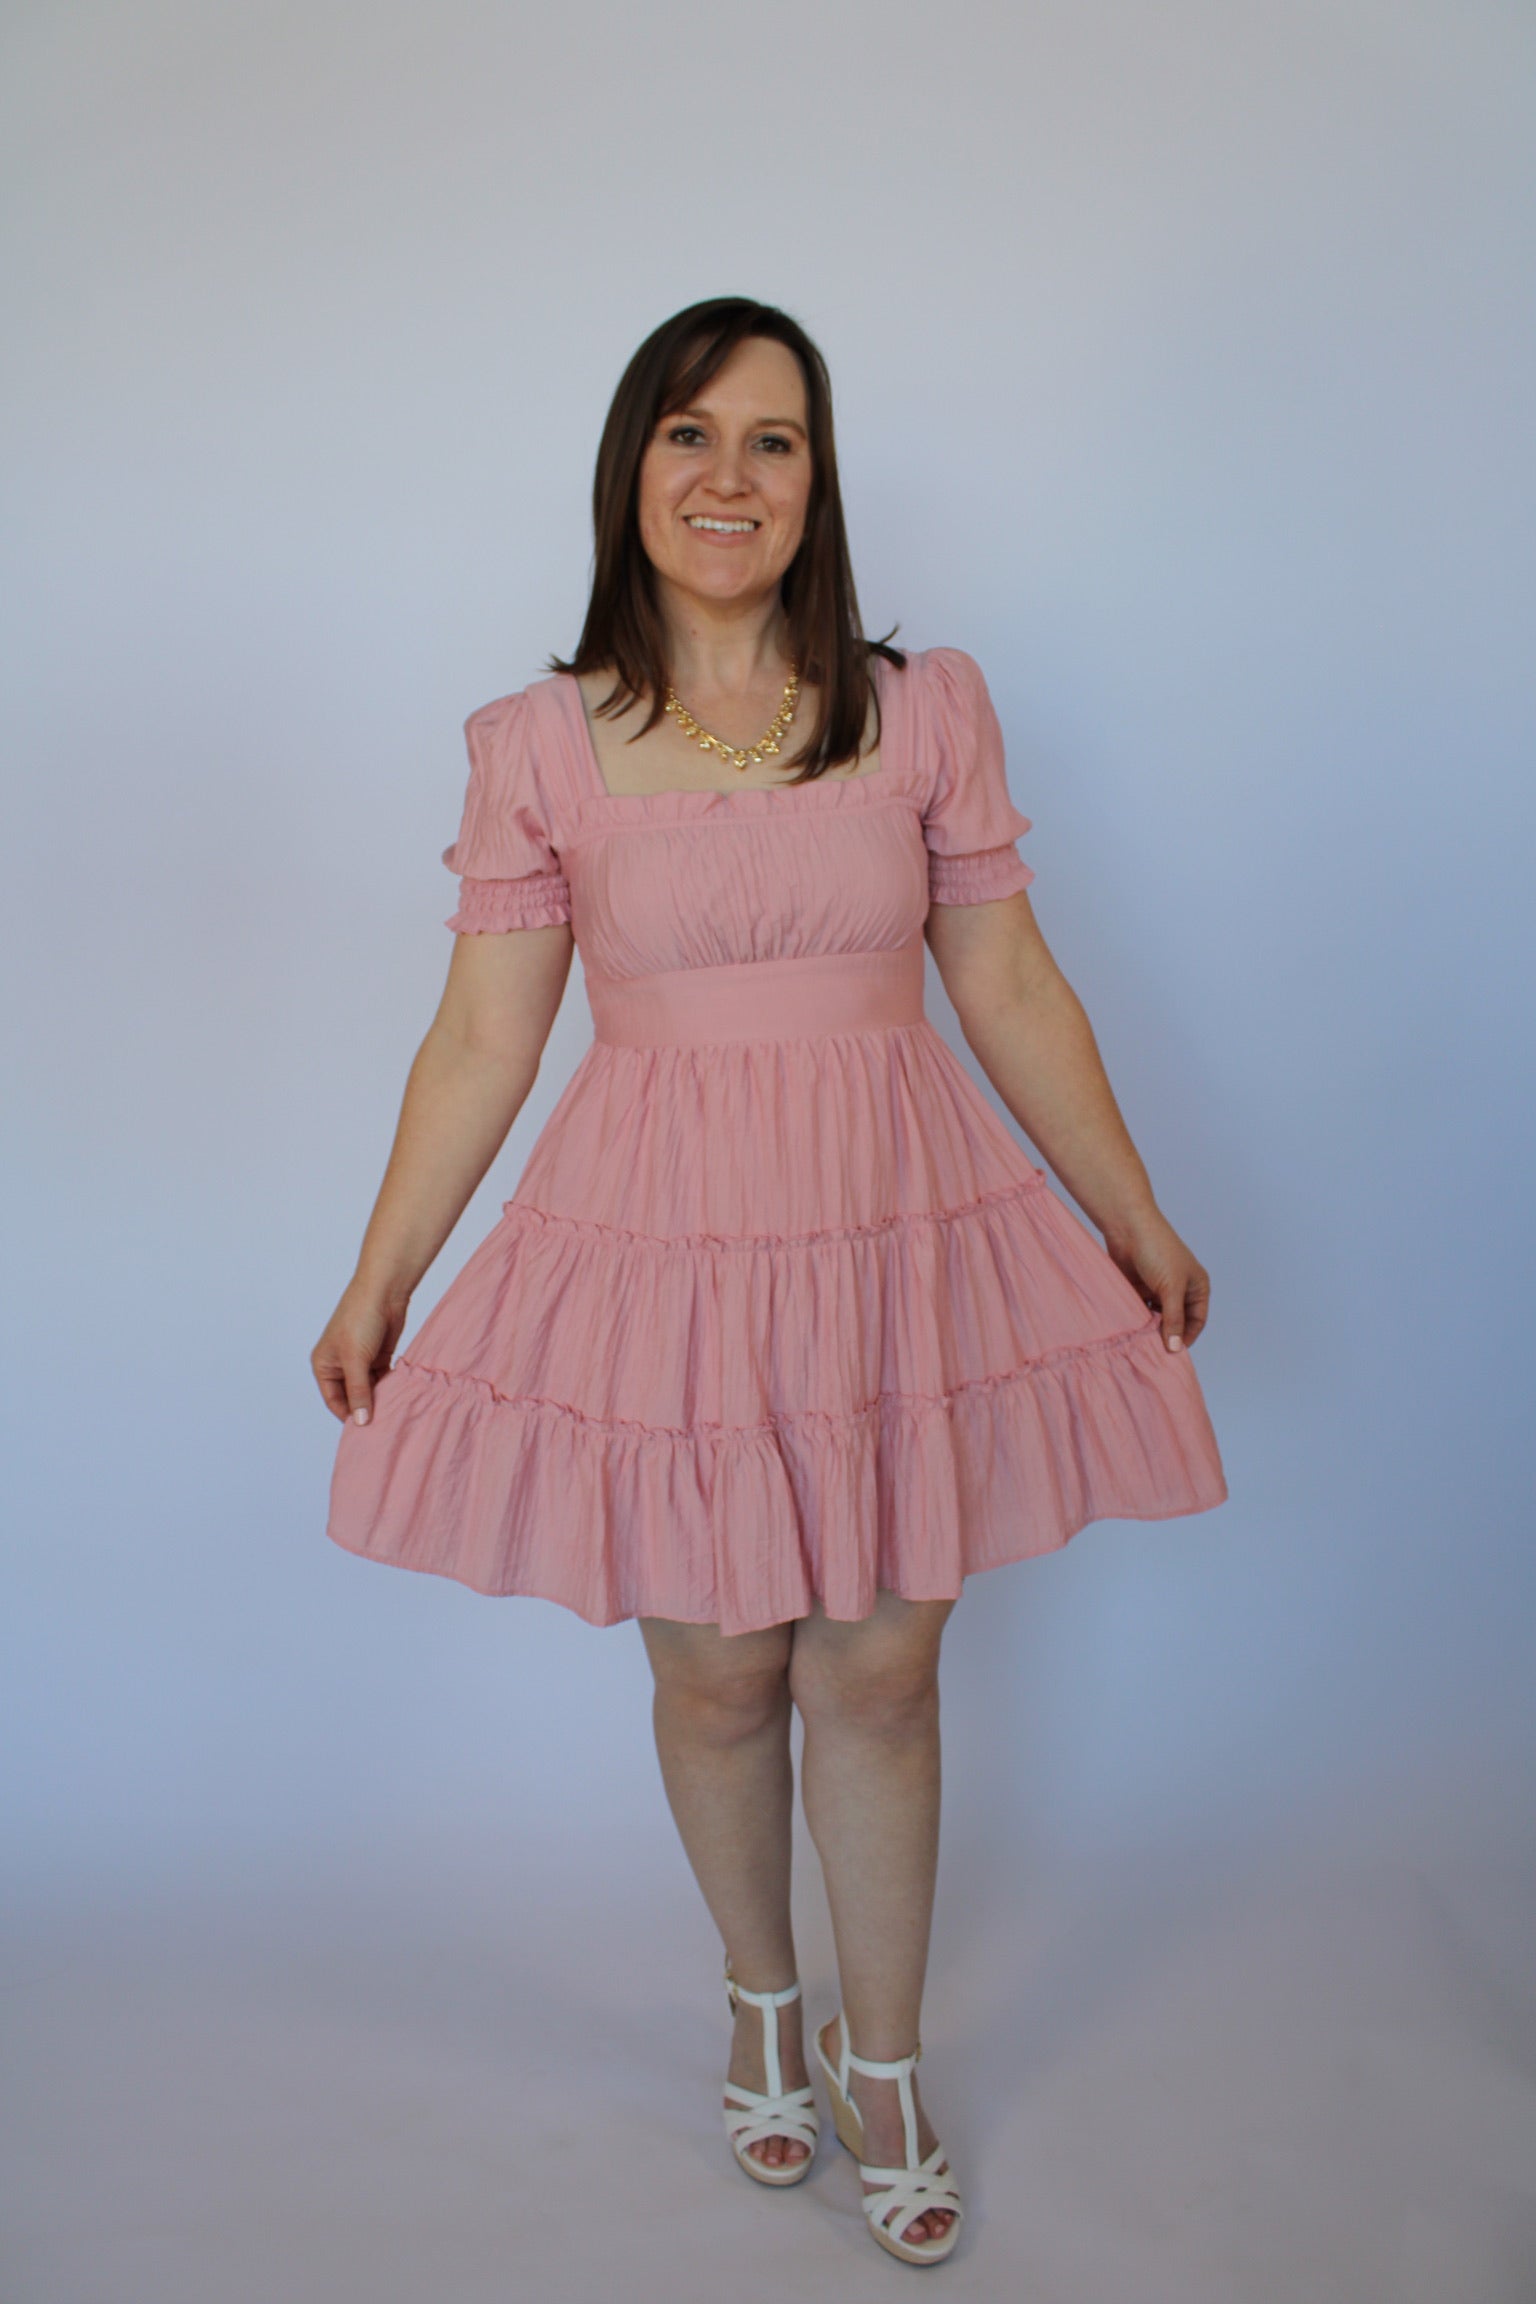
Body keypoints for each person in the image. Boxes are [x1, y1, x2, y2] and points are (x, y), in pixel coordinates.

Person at [312, 296, 1228, 2267]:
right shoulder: (540, 745)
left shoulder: (922, 709)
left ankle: (882, 2065)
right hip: (670, 1251)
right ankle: (759, 2000)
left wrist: (1134, 1213)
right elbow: (481, 1039)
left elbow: (1006, 980)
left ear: (819, 483)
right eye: (690, 433)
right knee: (721, 1673)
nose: (729, 476)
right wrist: (382, 1274)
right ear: (631, 469)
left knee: (880, 1671)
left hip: (894, 1229)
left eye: (774, 440)